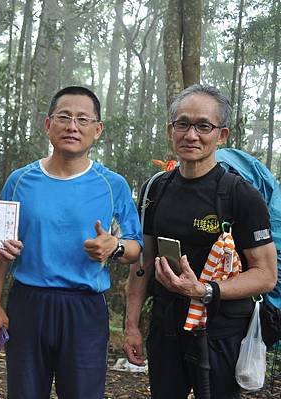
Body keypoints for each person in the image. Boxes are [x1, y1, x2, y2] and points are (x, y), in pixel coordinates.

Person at [0, 86, 143, 399]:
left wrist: (115, 247)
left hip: (85, 308)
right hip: (29, 303)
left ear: (97, 130)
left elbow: (136, 247)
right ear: (48, 125)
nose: (72, 126)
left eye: (83, 120)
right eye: (64, 117)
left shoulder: (113, 185)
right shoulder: (19, 181)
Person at [123, 84, 277, 399]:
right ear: (171, 130)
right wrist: (132, 325)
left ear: (221, 135)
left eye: (203, 126)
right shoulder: (156, 189)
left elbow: (265, 275)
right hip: (167, 327)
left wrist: (205, 290)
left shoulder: (240, 195)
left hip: (222, 333)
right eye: (183, 124)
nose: (192, 135)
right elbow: (143, 266)